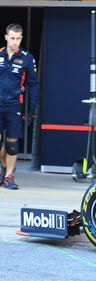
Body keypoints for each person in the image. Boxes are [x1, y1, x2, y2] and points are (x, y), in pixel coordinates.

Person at [0, 24, 38, 190]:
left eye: (18, 38)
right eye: (12, 38)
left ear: (21, 38)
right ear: (6, 37)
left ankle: (9, 176)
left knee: (12, 144)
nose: (15, 42)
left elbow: (33, 83)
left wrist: (32, 107)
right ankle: (5, 166)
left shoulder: (27, 58)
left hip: (15, 104)